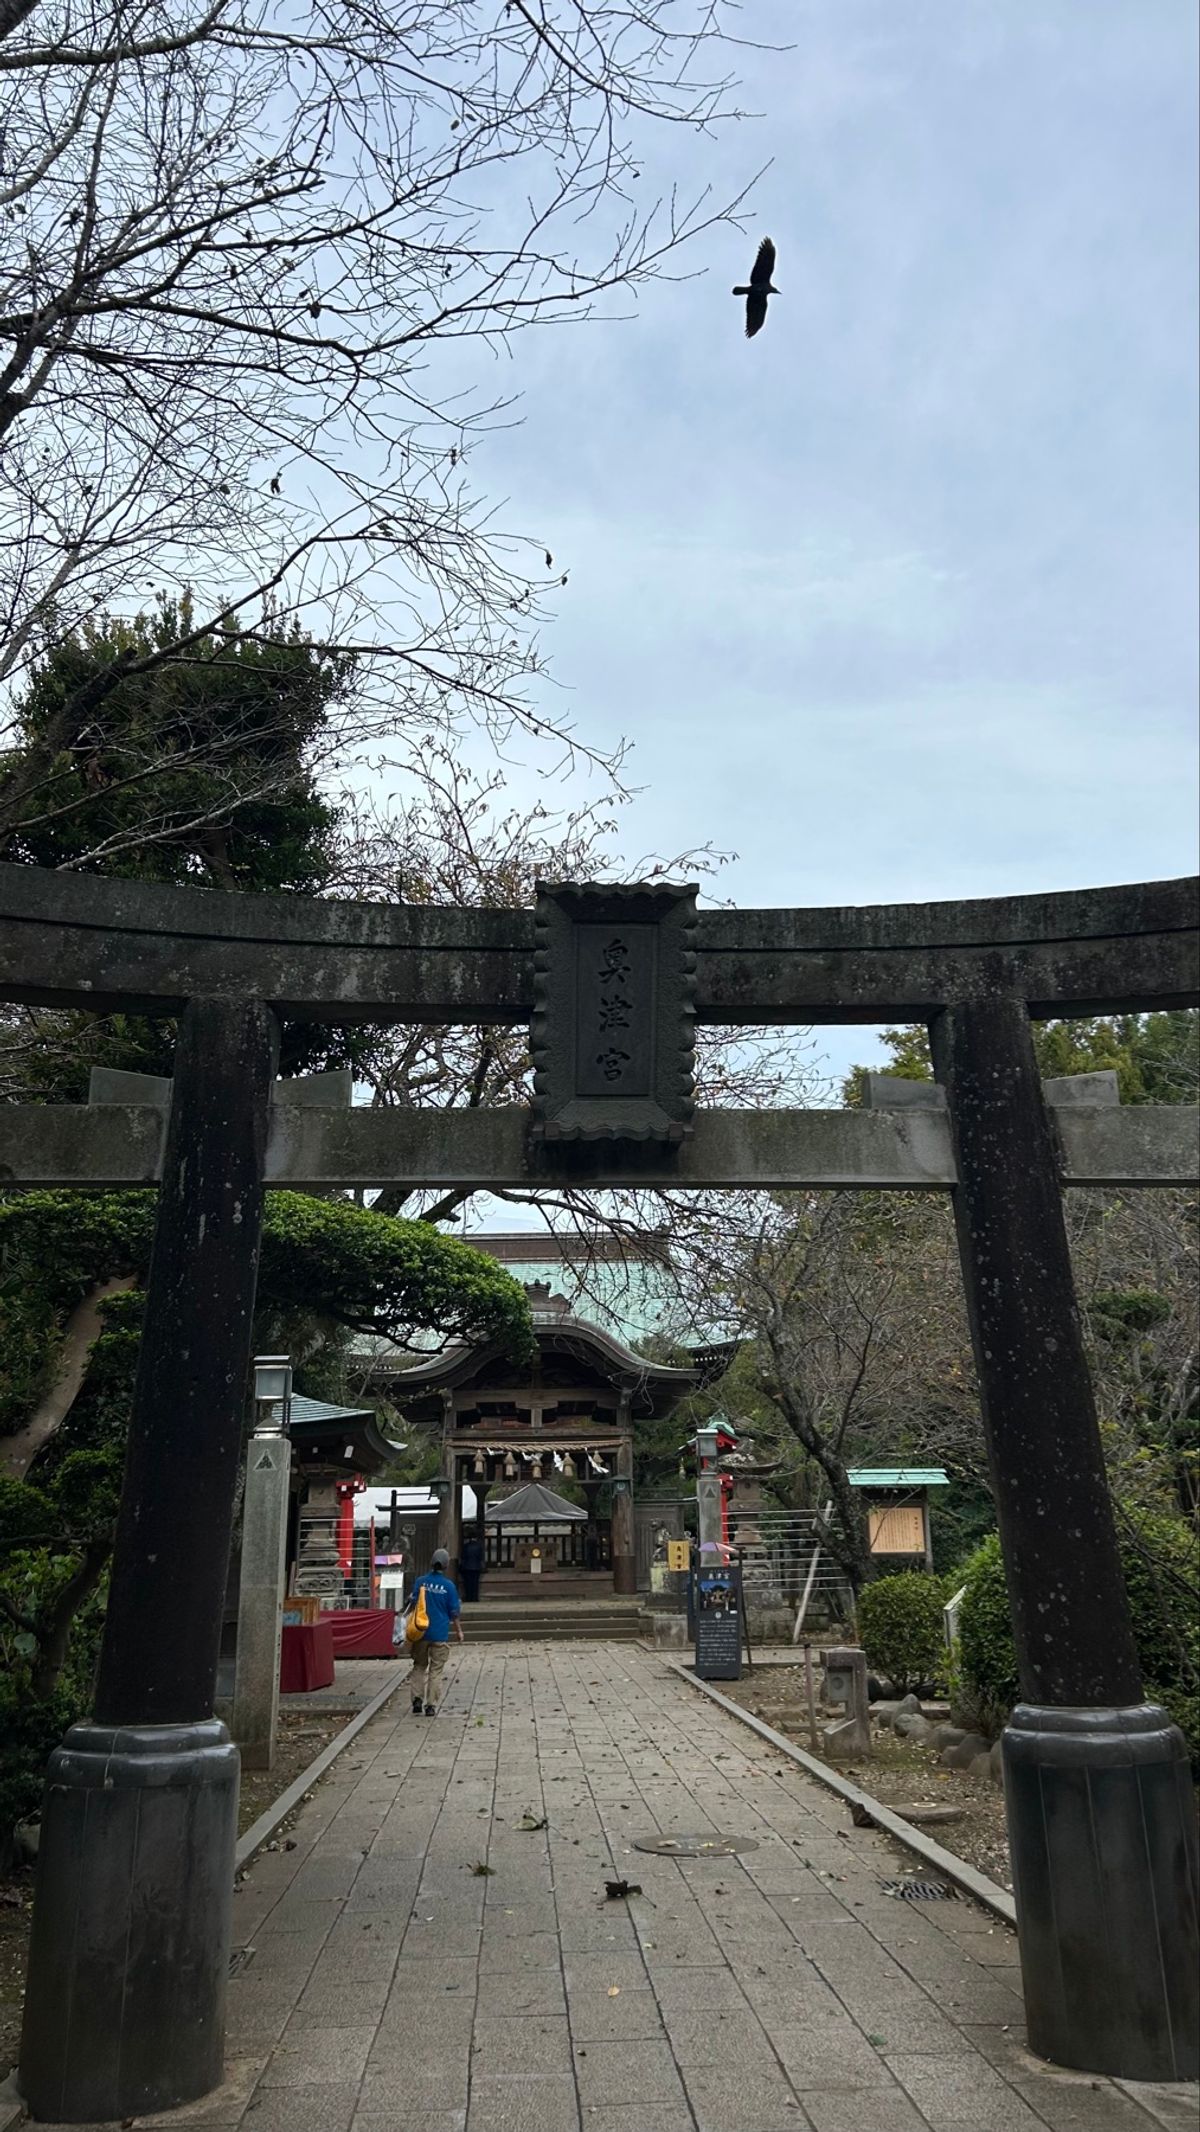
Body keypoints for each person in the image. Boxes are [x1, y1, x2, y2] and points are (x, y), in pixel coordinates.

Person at [405, 1547, 463, 1715]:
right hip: (439, 1632)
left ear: (431, 1563)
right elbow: (454, 1611)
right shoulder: (449, 1586)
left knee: (419, 1665)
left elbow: (413, 1600)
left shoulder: (421, 1581)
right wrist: (459, 1631)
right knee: (436, 1669)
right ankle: (430, 1705)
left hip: (420, 1631)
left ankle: (416, 1699)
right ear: (446, 1566)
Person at [460, 1532, 483, 1604]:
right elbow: (480, 1557)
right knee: (475, 1584)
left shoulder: (466, 1546)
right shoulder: (479, 1546)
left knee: (468, 1584)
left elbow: (463, 1557)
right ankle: (475, 1597)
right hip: (476, 1567)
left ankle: (468, 1597)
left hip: (467, 1567)